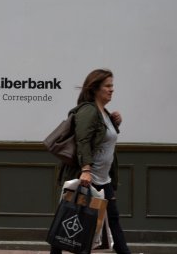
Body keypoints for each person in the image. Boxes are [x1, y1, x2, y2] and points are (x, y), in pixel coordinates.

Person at [50, 69, 133, 254]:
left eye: (112, 86)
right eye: (108, 86)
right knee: (70, 219)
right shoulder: (89, 110)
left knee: (111, 219)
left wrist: (114, 123)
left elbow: (102, 141)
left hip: (103, 178)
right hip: (87, 176)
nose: (112, 90)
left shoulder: (104, 113)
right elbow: (83, 141)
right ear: (95, 88)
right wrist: (86, 169)